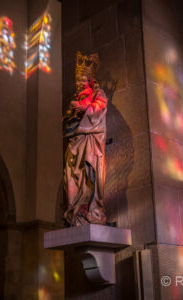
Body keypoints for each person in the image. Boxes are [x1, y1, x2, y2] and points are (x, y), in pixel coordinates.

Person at [63, 51, 108, 226]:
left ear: (89, 80)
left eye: (82, 79)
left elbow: (100, 110)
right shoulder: (75, 99)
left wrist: (84, 108)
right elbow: (67, 120)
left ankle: (93, 211)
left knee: (90, 175)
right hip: (75, 142)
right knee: (74, 177)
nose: (79, 83)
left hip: (90, 142)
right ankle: (76, 211)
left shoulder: (98, 93)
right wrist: (69, 115)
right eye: (77, 80)